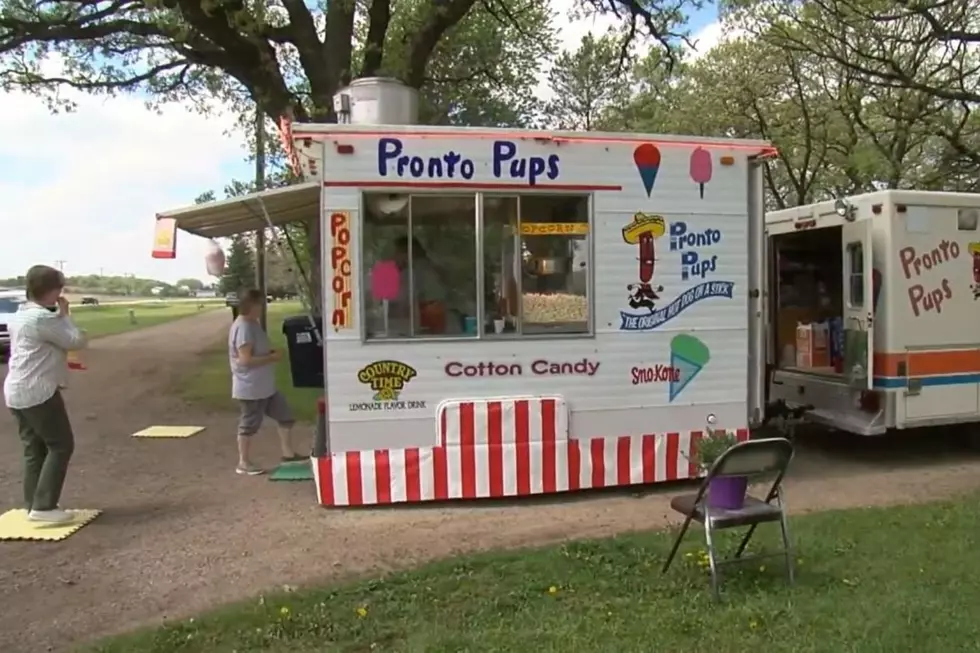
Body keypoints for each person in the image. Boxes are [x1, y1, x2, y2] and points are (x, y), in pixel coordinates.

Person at [3, 265, 87, 523]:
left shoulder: (21, 314)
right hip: (37, 390)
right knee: (61, 444)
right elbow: (75, 341)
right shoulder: (42, 319)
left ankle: (35, 505)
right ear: (52, 290)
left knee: (34, 448)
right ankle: (44, 506)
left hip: (16, 390)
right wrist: (65, 315)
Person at [228, 288, 304, 475]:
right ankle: (243, 463)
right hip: (251, 387)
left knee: (285, 416)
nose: (263, 307)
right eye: (261, 303)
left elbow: (255, 353)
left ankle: (288, 454)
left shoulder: (253, 324)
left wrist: (270, 354)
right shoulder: (244, 327)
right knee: (249, 424)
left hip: (266, 387)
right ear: (252, 305)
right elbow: (245, 360)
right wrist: (272, 358)